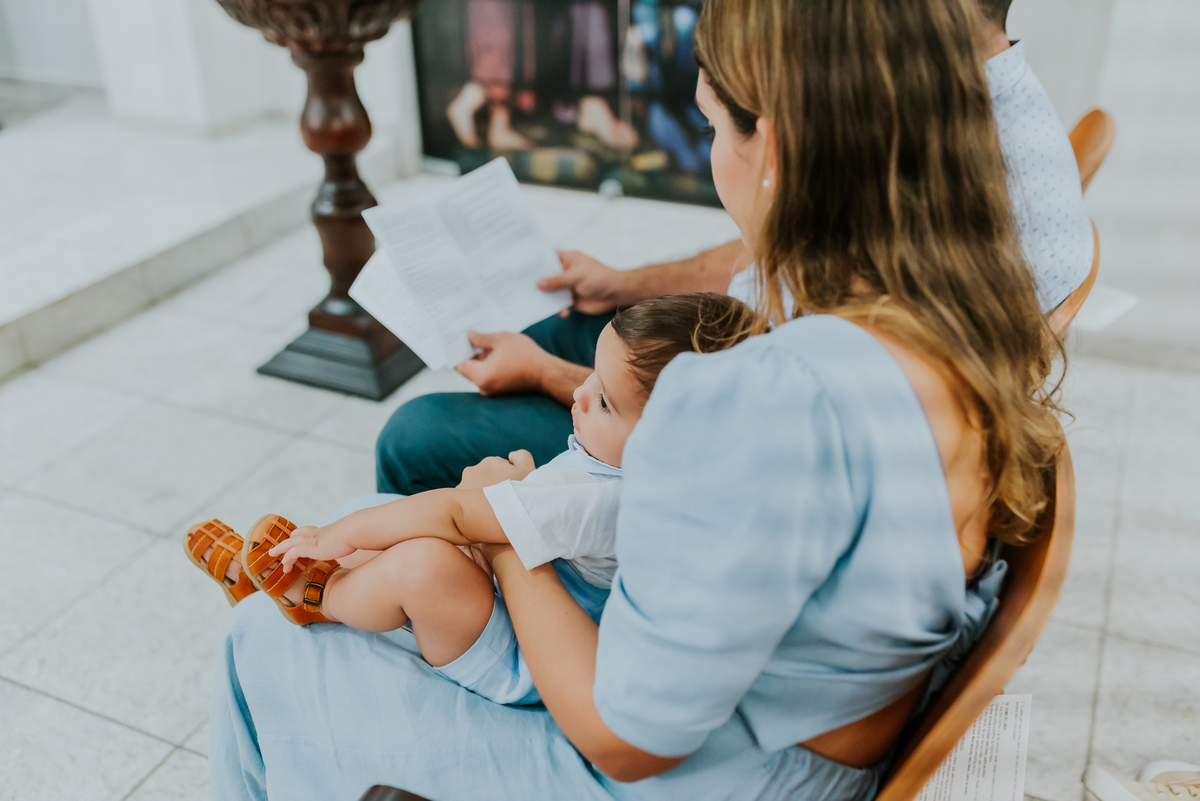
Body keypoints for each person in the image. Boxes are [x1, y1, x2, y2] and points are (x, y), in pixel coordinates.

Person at [207, 0, 1066, 798]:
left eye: (711, 125)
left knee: (261, 642)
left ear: (775, 148)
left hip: (715, 773)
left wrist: (511, 530)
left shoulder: (774, 395)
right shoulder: (956, 323)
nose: (712, 152)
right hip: (798, 728)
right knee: (372, 535)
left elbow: (622, 736)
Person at [375, 0, 1091, 498]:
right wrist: (626, 283)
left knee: (413, 435)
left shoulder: (935, 178)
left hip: (701, 420)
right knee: (552, 320)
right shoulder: (962, 109)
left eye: (713, 125)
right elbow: (782, 244)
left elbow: (728, 439)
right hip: (726, 362)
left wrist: (551, 378)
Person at [187, 294, 755, 706]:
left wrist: (344, 531)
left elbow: (457, 513)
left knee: (424, 561)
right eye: (593, 377)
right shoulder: (659, 481)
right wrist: (522, 492)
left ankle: (318, 595)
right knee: (423, 534)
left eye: (604, 402)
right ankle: (270, 577)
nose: (580, 395)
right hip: (527, 606)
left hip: (522, 660)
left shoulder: (600, 500)